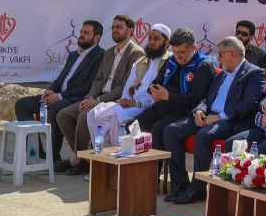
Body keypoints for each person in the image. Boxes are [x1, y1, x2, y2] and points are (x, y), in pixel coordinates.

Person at [165, 37, 266, 204]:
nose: (218, 58)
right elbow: (206, 97)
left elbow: (249, 104)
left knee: (203, 135)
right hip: (210, 115)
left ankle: (198, 188)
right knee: (171, 130)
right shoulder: (221, 74)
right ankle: (180, 184)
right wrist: (199, 110)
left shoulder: (254, 73)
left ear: (232, 54)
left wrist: (220, 117)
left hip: (231, 120)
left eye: (220, 54)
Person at [53, 15, 144, 172]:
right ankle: (82, 158)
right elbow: (98, 79)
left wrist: (98, 100)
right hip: (98, 97)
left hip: (116, 101)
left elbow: (124, 86)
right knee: (63, 115)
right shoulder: (109, 52)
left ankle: (79, 160)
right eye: (113, 27)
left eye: (119, 27)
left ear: (130, 31)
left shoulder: (135, 53)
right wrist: (91, 96)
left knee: (84, 116)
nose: (115, 30)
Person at [77, 24, 171, 172]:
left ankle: (117, 165)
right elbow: (127, 88)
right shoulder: (141, 62)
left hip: (148, 107)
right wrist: (125, 101)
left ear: (167, 42)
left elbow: (157, 96)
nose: (152, 42)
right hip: (131, 105)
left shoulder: (169, 64)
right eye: (150, 38)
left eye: (157, 39)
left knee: (115, 116)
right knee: (93, 115)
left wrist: (135, 103)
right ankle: (103, 162)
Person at [14, 19, 105, 164]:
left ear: (97, 38)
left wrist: (61, 96)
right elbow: (61, 79)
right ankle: (37, 153)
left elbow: (89, 86)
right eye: (81, 31)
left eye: (86, 33)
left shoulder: (100, 56)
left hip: (77, 98)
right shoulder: (74, 55)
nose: (81, 35)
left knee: (57, 107)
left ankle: (52, 156)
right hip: (59, 95)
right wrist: (49, 91)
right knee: (22, 104)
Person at [135, 27, 216, 149]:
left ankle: (160, 162)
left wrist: (168, 96)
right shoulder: (171, 60)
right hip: (162, 106)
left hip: (183, 111)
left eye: (181, 52)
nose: (177, 56)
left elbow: (196, 99)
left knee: (158, 129)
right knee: (134, 124)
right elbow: (155, 83)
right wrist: (154, 92)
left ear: (193, 48)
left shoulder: (203, 65)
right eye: (175, 52)